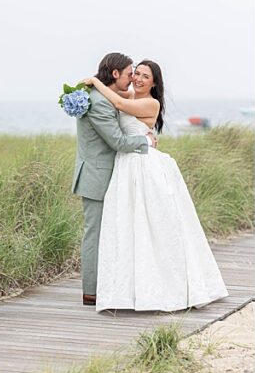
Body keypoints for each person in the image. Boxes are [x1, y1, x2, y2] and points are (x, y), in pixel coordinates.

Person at [82, 60, 229, 312]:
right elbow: (113, 99)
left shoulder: (151, 103)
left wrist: (95, 81)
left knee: (153, 225)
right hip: (126, 166)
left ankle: (163, 286)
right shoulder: (128, 93)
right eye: (135, 73)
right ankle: (127, 288)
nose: (137, 78)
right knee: (127, 226)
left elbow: (118, 104)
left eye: (144, 76)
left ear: (154, 83)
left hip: (143, 166)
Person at [72, 52, 154, 306]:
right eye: (130, 73)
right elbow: (117, 141)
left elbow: (126, 106)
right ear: (116, 74)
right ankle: (90, 292)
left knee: (112, 233)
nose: (133, 78)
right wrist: (145, 140)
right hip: (97, 177)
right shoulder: (98, 102)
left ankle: (110, 286)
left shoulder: (107, 97)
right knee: (94, 235)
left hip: (112, 176)